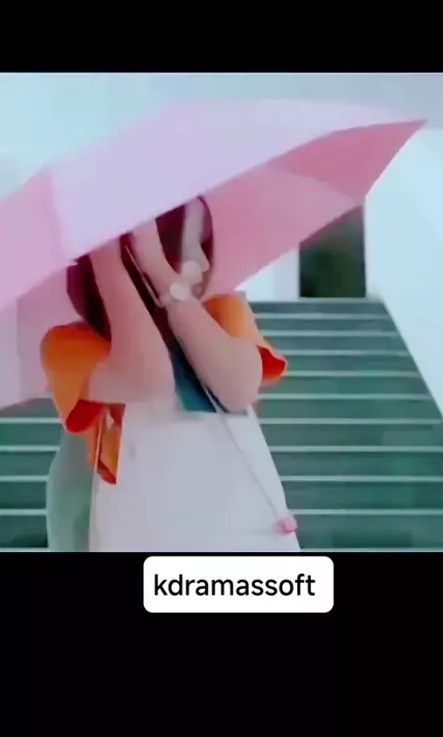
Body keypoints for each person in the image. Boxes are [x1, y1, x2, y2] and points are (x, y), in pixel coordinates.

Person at [41, 198, 300, 552]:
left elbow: (238, 388)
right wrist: (108, 260)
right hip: (147, 533)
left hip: (243, 540)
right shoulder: (72, 346)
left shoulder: (223, 313)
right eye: (192, 249)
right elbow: (148, 377)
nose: (205, 263)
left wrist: (160, 271)